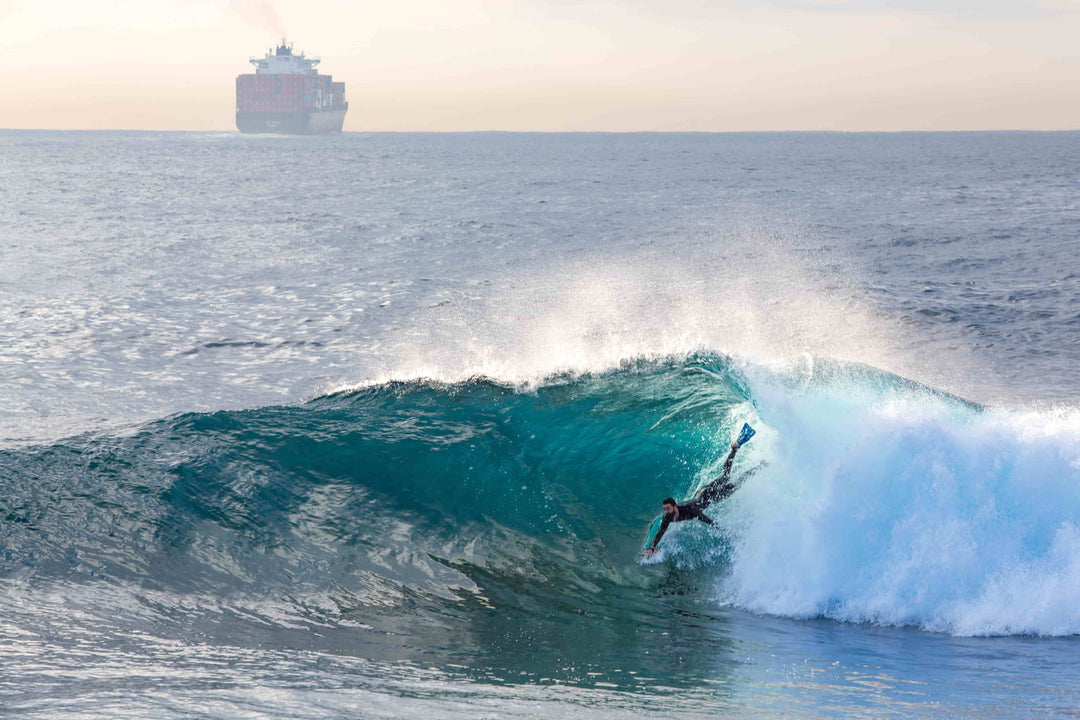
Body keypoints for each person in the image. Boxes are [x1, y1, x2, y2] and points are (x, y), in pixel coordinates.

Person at [642, 440, 743, 556]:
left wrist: (723, 530)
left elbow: (705, 519)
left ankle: (740, 454)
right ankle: (735, 450)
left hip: (707, 495)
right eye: (664, 509)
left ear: (675, 506)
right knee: (726, 479)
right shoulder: (668, 517)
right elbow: (660, 532)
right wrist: (653, 547)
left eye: (668, 509)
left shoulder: (688, 509)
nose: (666, 511)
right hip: (701, 494)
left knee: (731, 483)